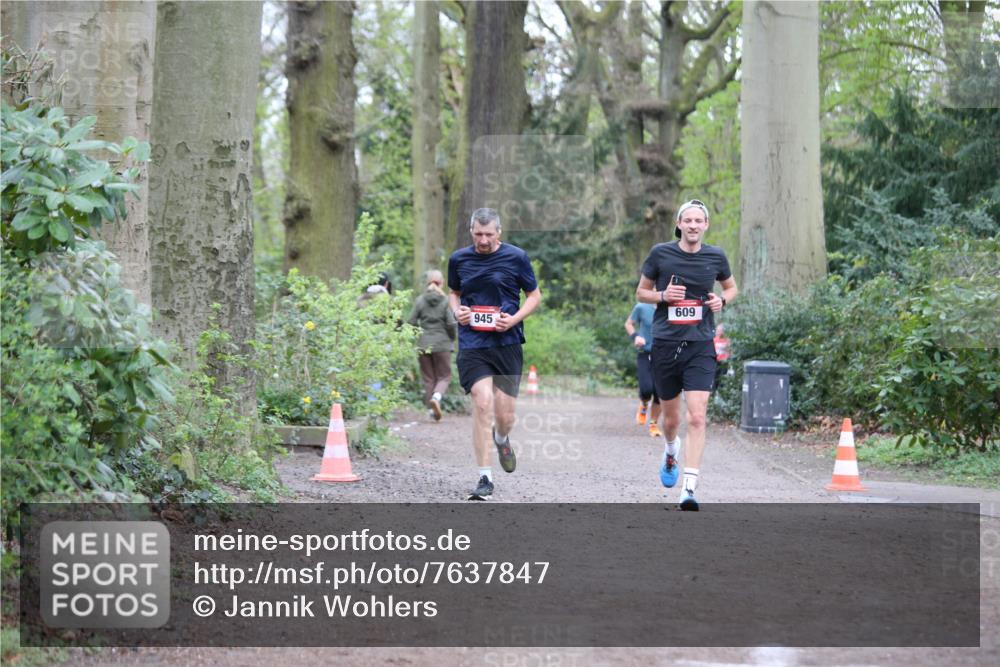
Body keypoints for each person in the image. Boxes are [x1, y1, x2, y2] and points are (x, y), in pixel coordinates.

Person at [635, 199, 738, 510]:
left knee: (696, 416)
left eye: (699, 221)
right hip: (666, 343)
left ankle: (689, 489)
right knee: (671, 419)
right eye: (688, 220)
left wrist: (722, 301)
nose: (693, 225)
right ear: (679, 224)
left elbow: (731, 288)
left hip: (700, 344)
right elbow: (641, 292)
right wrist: (664, 295)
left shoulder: (716, 256)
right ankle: (670, 450)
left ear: (706, 225)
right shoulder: (660, 254)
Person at [447, 208, 541, 499]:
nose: (483, 240)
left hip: (507, 344)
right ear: (471, 231)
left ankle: (501, 439)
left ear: (499, 232)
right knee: (483, 402)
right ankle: (484, 478)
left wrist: (513, 319)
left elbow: (534, 296)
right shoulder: (459, 259)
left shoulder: (516, 257)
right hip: (473, 344)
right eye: (478, 234)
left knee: (505, 415)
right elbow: (454, 293)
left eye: (489, 234)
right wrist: (457, 311)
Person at [407, 270, 457, 421]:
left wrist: (419, 336)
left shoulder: (420, 300)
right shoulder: (445, 300)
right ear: (441, 283)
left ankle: (431, 411)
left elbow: (411, 322)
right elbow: (450, 323)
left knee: (429, 379)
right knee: (444, 376)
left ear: (427, 283)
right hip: (442, 344)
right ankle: (436, 397)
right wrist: (451, 338)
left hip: (423, 344)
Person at [624, 302, 662, 438]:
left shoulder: (671, 307)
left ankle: (653, 424)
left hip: (664, 356)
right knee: (646, 389)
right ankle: (644, 404)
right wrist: (636, 337)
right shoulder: (641, 307)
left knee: (660, 393)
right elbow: (628, 324)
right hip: (645, 353)